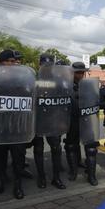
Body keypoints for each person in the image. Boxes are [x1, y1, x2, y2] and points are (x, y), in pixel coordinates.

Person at [0, 50, 29, 199]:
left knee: (18, 158)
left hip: (17, 126)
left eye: (15, 61)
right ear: (0, 62)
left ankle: (18, 186)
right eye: (9, 61)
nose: (13, 64)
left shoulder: (24, 80)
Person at [30, 55, 69, 190]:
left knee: (56, 148)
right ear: (39, 64)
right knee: (39, 148)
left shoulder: (59, 81)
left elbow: (64, 101)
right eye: (44, 65)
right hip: (38, 120)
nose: (46, 68)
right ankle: (41, 177)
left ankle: (56, 177)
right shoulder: (33, 80)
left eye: (49, 65)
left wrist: (62, 120)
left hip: (53, 120)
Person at [65, 61, 100, 185]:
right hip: (73, 120)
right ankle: (73, 172)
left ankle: (91, 175)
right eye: (77, 72)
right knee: (71, 146)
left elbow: (97, 101)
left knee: (91, 148)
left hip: (88, 119)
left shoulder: (90, 85)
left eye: (82, 72)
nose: (80, 75)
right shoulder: (66, 86)